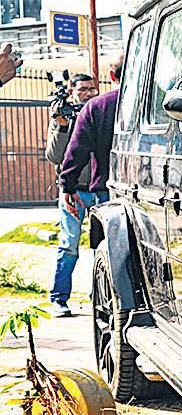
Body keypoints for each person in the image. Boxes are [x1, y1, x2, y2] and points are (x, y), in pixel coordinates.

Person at [55, 56, 124, 316]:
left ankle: (102, 300)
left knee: (103, 248)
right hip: (148, 185)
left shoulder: (98, 107)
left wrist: (67, 186)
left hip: (104, 189)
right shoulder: (151, 105)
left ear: (110, 76)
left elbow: (76, 151)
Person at [45, 73, 101, 317]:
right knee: (69, 245)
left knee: (102, 248)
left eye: (91, 89)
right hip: (73, 191)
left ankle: (99, 295)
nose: (88, 94)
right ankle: (59, 298)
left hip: (100, 189)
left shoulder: (99, 112)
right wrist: (62, 126)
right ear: (72, 92)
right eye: (82, 90)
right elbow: (55, 156)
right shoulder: (63, 118)